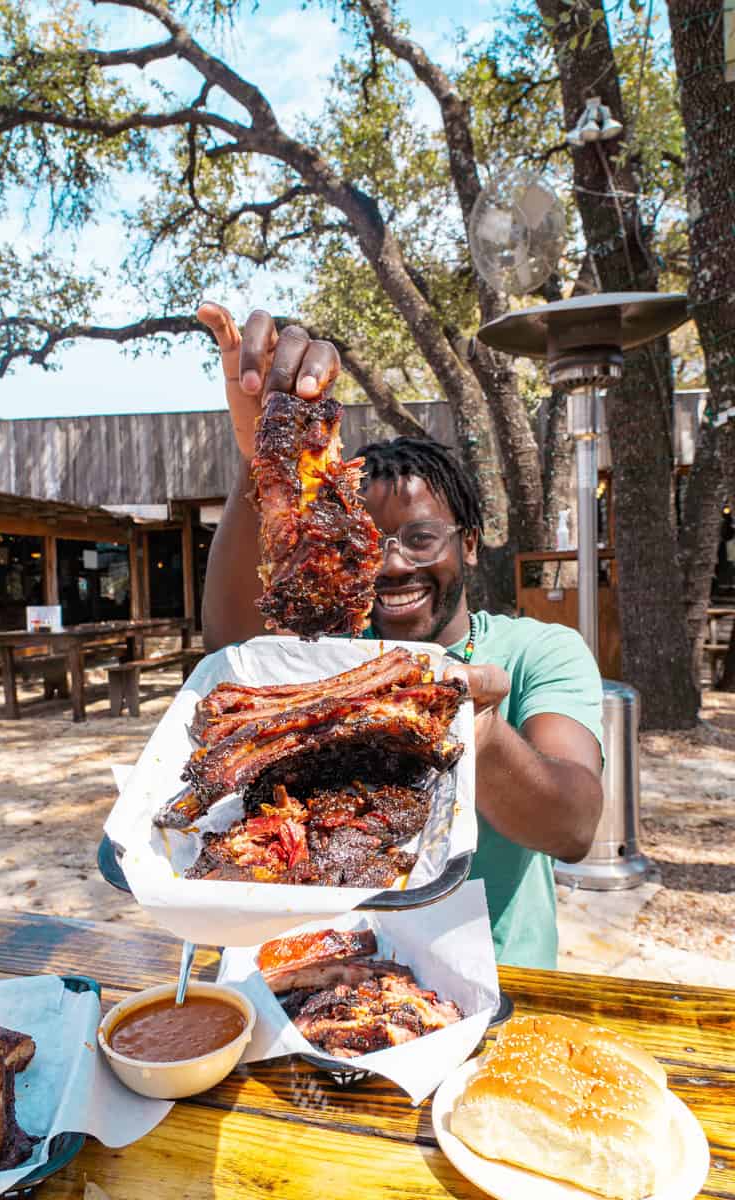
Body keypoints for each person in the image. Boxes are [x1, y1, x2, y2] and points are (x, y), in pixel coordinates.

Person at [198, 301, 604, 970]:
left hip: (501, 981)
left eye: (419, 539)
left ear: (468, 544)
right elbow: (230, 650)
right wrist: (261, 464)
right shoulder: (339, 651)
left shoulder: (537, 653)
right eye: (370, 540)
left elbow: (574, 826)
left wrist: (474, 729)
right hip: (338, 971)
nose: (392, 564)